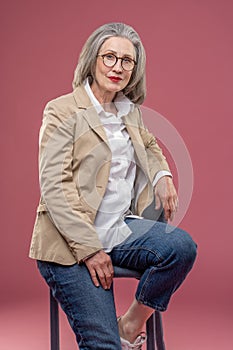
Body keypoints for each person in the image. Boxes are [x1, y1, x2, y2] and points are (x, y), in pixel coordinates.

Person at [29, 22, 197, 350]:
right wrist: (90, 249)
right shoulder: (61, 111)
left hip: (119, 231)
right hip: (70, 244)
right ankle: (111, 334)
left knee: (180, 248)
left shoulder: (128, 111)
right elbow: (54, 188)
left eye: (127, 61)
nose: (118, 67)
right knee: (103, 345)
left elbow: (149, 146)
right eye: (109, 57)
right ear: (93, 60)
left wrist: (163, 176)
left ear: (135, 69)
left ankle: (130, 324)